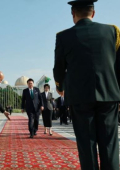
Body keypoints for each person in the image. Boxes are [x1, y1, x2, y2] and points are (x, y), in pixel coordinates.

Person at [53, 0, 120, 169]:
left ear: (73, 14)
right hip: (109, 95)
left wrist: (60, 87)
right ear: (94, 13)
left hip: (80, 97)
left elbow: (59, 68)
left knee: (86, 145)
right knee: (110, 145)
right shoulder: (112, 31)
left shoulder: (63, 36)